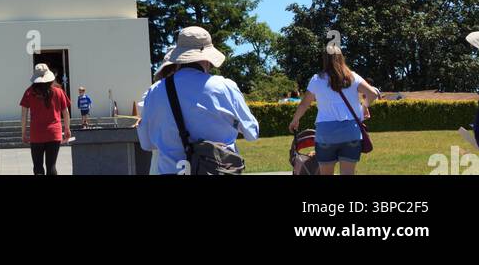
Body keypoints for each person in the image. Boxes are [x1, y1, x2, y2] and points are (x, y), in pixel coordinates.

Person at [136, 26, 259, 175]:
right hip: (217, 170)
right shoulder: (224, 87)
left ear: (179, 57)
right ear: (208, 59)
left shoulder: (155, 91)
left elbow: (147, 144)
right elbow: (252, 133)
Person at [289, 47, 379, 176]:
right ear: (341, 58)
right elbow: (372, 93)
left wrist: (295, 120)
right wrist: (363, 108)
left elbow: (304, 104)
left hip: (326, 133)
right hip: (351, 132)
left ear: (325, 59)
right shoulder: (353, 77)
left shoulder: (316, 79)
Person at [20, 62, 71, 176]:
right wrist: (67, 129)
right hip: (54, 134)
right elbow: (66, 113)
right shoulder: (59, 91)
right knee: (51, 166)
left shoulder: (29, 92)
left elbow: (23, 115)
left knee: (38, 167)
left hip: (36, 134)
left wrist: (23, 132)